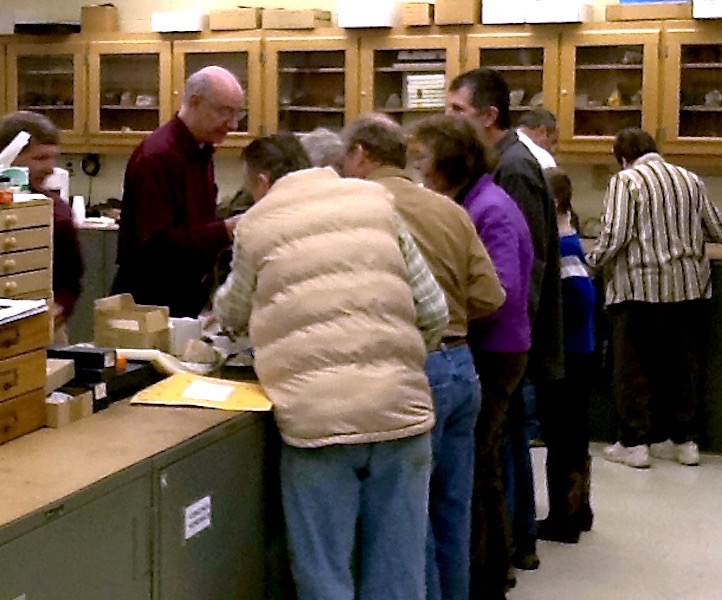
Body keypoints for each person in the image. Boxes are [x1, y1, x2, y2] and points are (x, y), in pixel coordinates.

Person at [213, 132, 449, 600]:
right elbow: (435, 310)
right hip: (399, 414)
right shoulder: (375, 201)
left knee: (325, 575)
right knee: (400, 574)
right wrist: (391, 361)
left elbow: (232, 313)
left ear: (262, 182)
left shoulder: (256, 224)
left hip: (317, 425)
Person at [341, 114, 506, 600]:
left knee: (411, 519)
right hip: (461, 367)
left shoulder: (362, 208)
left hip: (413, 369)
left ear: (359, 156)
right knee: (453, 510)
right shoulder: (450, 209)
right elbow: (491, 296)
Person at [409, 113, 534, 600]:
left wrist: (444, 313)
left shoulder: (491, 207)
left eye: (423, 159)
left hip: (494, 348)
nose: (417, 169)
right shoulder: (470, 202)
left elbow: (503, 288)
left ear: (448, 162)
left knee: (480, 472)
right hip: (484, 345)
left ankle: (489, 575)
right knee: (477, 469)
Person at [447, 67, 564, 571]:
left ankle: (512, 545)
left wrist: (517, 332)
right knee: (505, 440)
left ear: (488, 116)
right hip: (512, 333)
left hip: (509, 335)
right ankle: (515, 542)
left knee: (503, 443)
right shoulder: (505, 162)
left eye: (457, 111)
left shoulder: (511, 169)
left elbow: (523, 264)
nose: (447, 118)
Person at [587, 128, 722, 469]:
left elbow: (616, 235)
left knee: (633, 368)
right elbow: (719, 228)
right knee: (683, 366)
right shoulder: (690, 179)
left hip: (640, 288)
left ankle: (635, 443)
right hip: (689, 288)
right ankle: (684, 442)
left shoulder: (626, 181)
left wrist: (592, 261)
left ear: (623, 157)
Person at [113, 65, 243, 317]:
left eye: (238, 114)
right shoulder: (158, 157)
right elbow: (156, 248)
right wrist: (224, 231)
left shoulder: (201, 151)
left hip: (185, 296)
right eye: (225, 112)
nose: (234, 124)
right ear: (194, 102)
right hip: (151, 303)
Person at [537, 167, 596, 544]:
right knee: (574, 437)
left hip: (571, 354)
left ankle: (565, 517)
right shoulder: (569, 239)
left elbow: (579, 298)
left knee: (563, 440)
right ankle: (581, 509)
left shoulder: (563, 248)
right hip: (580, 351)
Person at [0, 111, 84, 342]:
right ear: (9, 157)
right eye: (40, 159)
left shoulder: (56, 212)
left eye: (52, 157)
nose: (50, 168)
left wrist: (61, 306)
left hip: (43, 329)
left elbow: (71, 278)